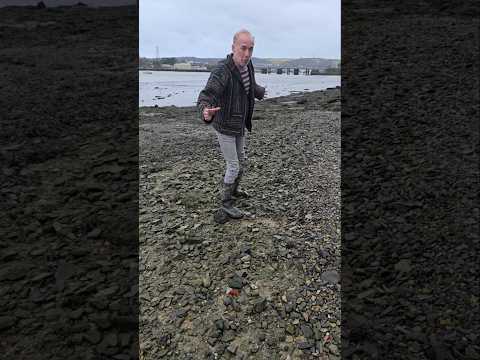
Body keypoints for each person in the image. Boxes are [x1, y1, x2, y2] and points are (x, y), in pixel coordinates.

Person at [197, 29, 266, 222]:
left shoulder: (248, 64)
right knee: (233, 165)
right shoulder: (222, 70)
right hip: (224, 125)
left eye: (250, 49)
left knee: (242, 161)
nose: (247, 54)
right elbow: (206, 95)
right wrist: (205, 111)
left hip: (240, 124)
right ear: (233, 47)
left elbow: (249, 83)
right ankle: (225, 203)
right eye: (243, 48)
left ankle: (234, 191)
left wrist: (259, 92)